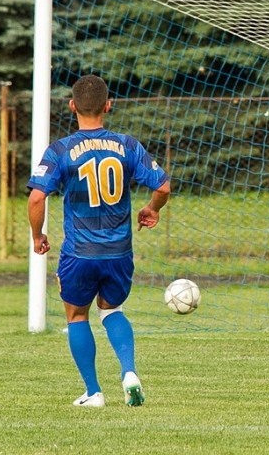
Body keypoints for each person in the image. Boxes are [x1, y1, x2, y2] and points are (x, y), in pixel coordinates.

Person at [28, 75, 171, 408]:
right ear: (108, 105)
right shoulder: (127, 145)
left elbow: (37, 198)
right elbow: (163, 186)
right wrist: (152, 209)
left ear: (72, 106)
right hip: (119, 251)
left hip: (79, 252)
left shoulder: (60, 149)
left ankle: (93, 392)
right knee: (112, 310)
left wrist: (38, 235)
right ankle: (129, 372)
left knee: (77, 315)